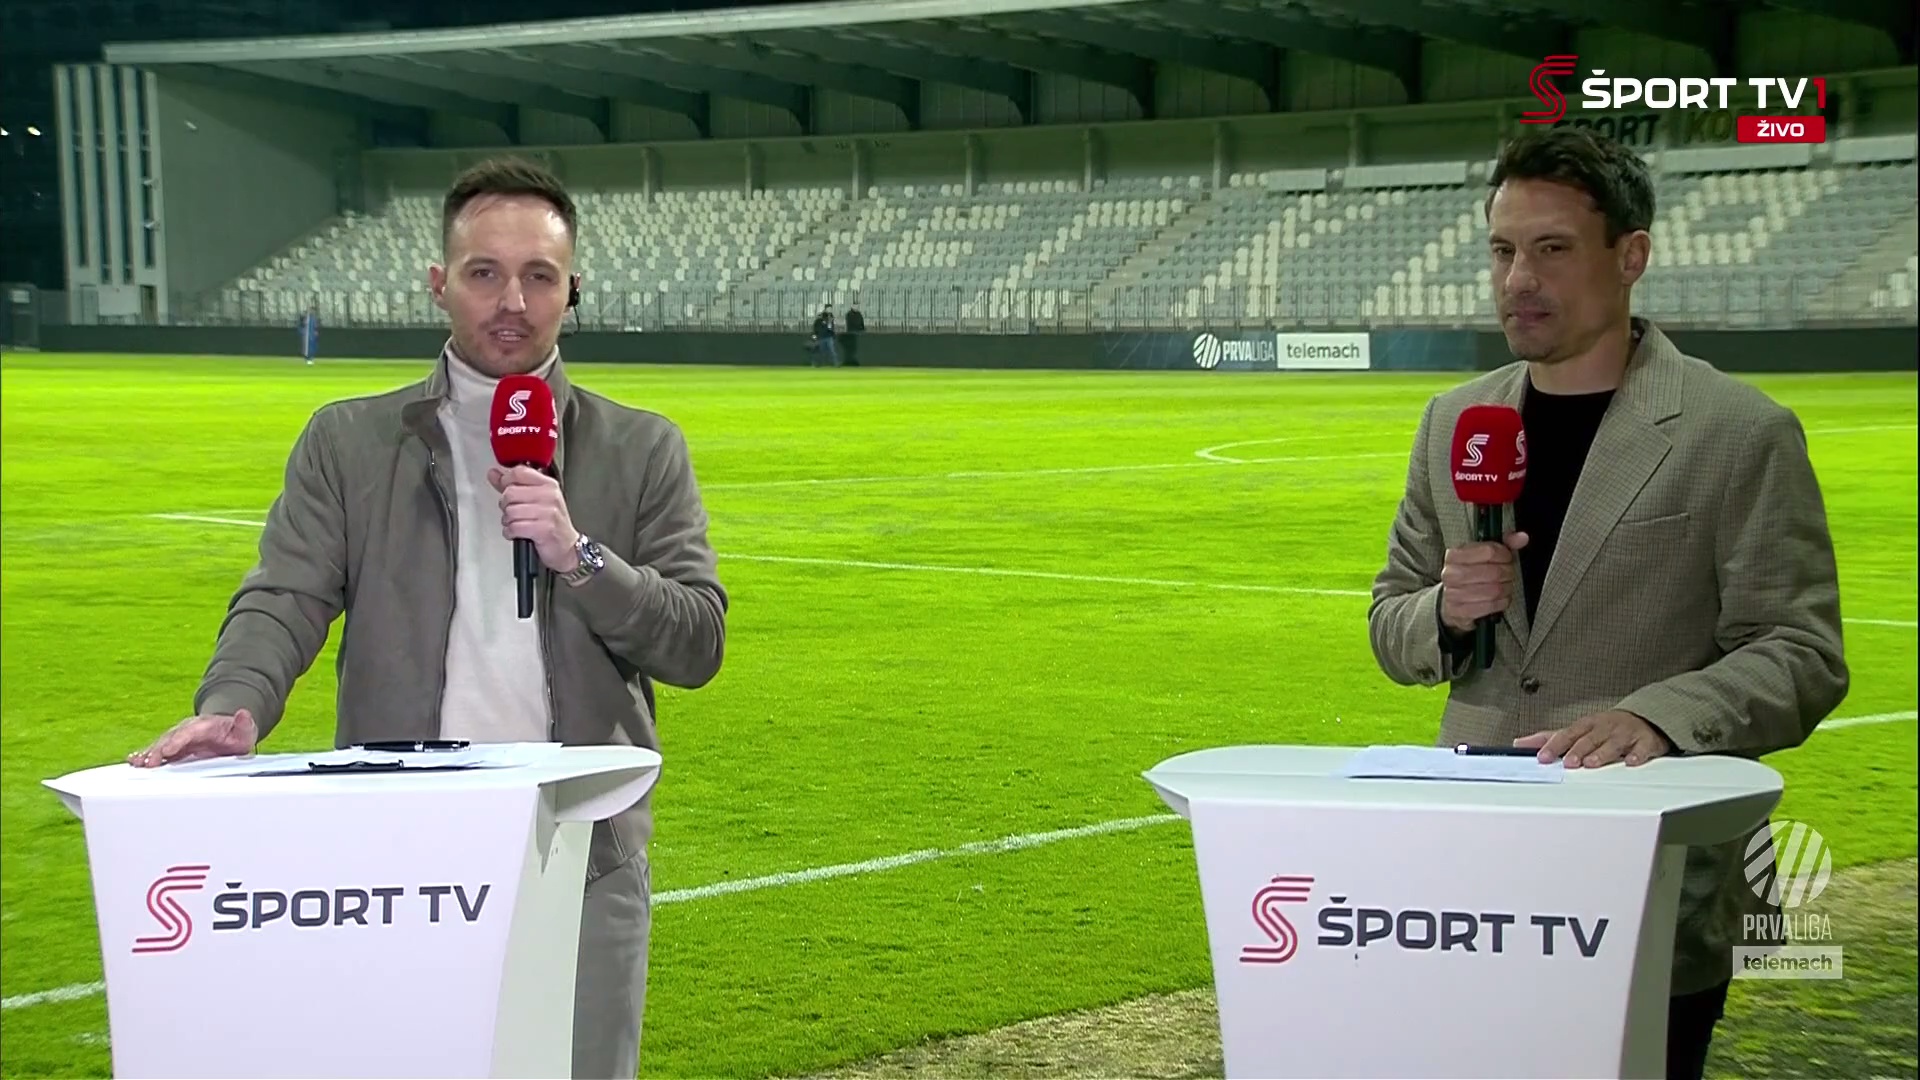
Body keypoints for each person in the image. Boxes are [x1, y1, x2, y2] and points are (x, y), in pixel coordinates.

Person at [127, 156, 728, 1080]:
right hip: (397, 855)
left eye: (539, 276)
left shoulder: (643, 448)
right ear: (439, 284)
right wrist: (235, 702)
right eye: (485, 273)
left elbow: (696, 643)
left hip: (581, 851)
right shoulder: (348, 440)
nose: (513, 302)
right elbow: (285, 595)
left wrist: (579, 555)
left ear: (574, 291)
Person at [1366, 126, 1847, 1080]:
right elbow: (1390, 622)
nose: (1519, 280)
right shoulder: (1456, 420)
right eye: (1503, 251)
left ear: (1631, 256)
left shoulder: (1738, 430)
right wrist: (1446, 613)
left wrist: (1658, 718)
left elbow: (1801, 649)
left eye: (1552, 249)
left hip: (1654, 872)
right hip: (1473, 877)